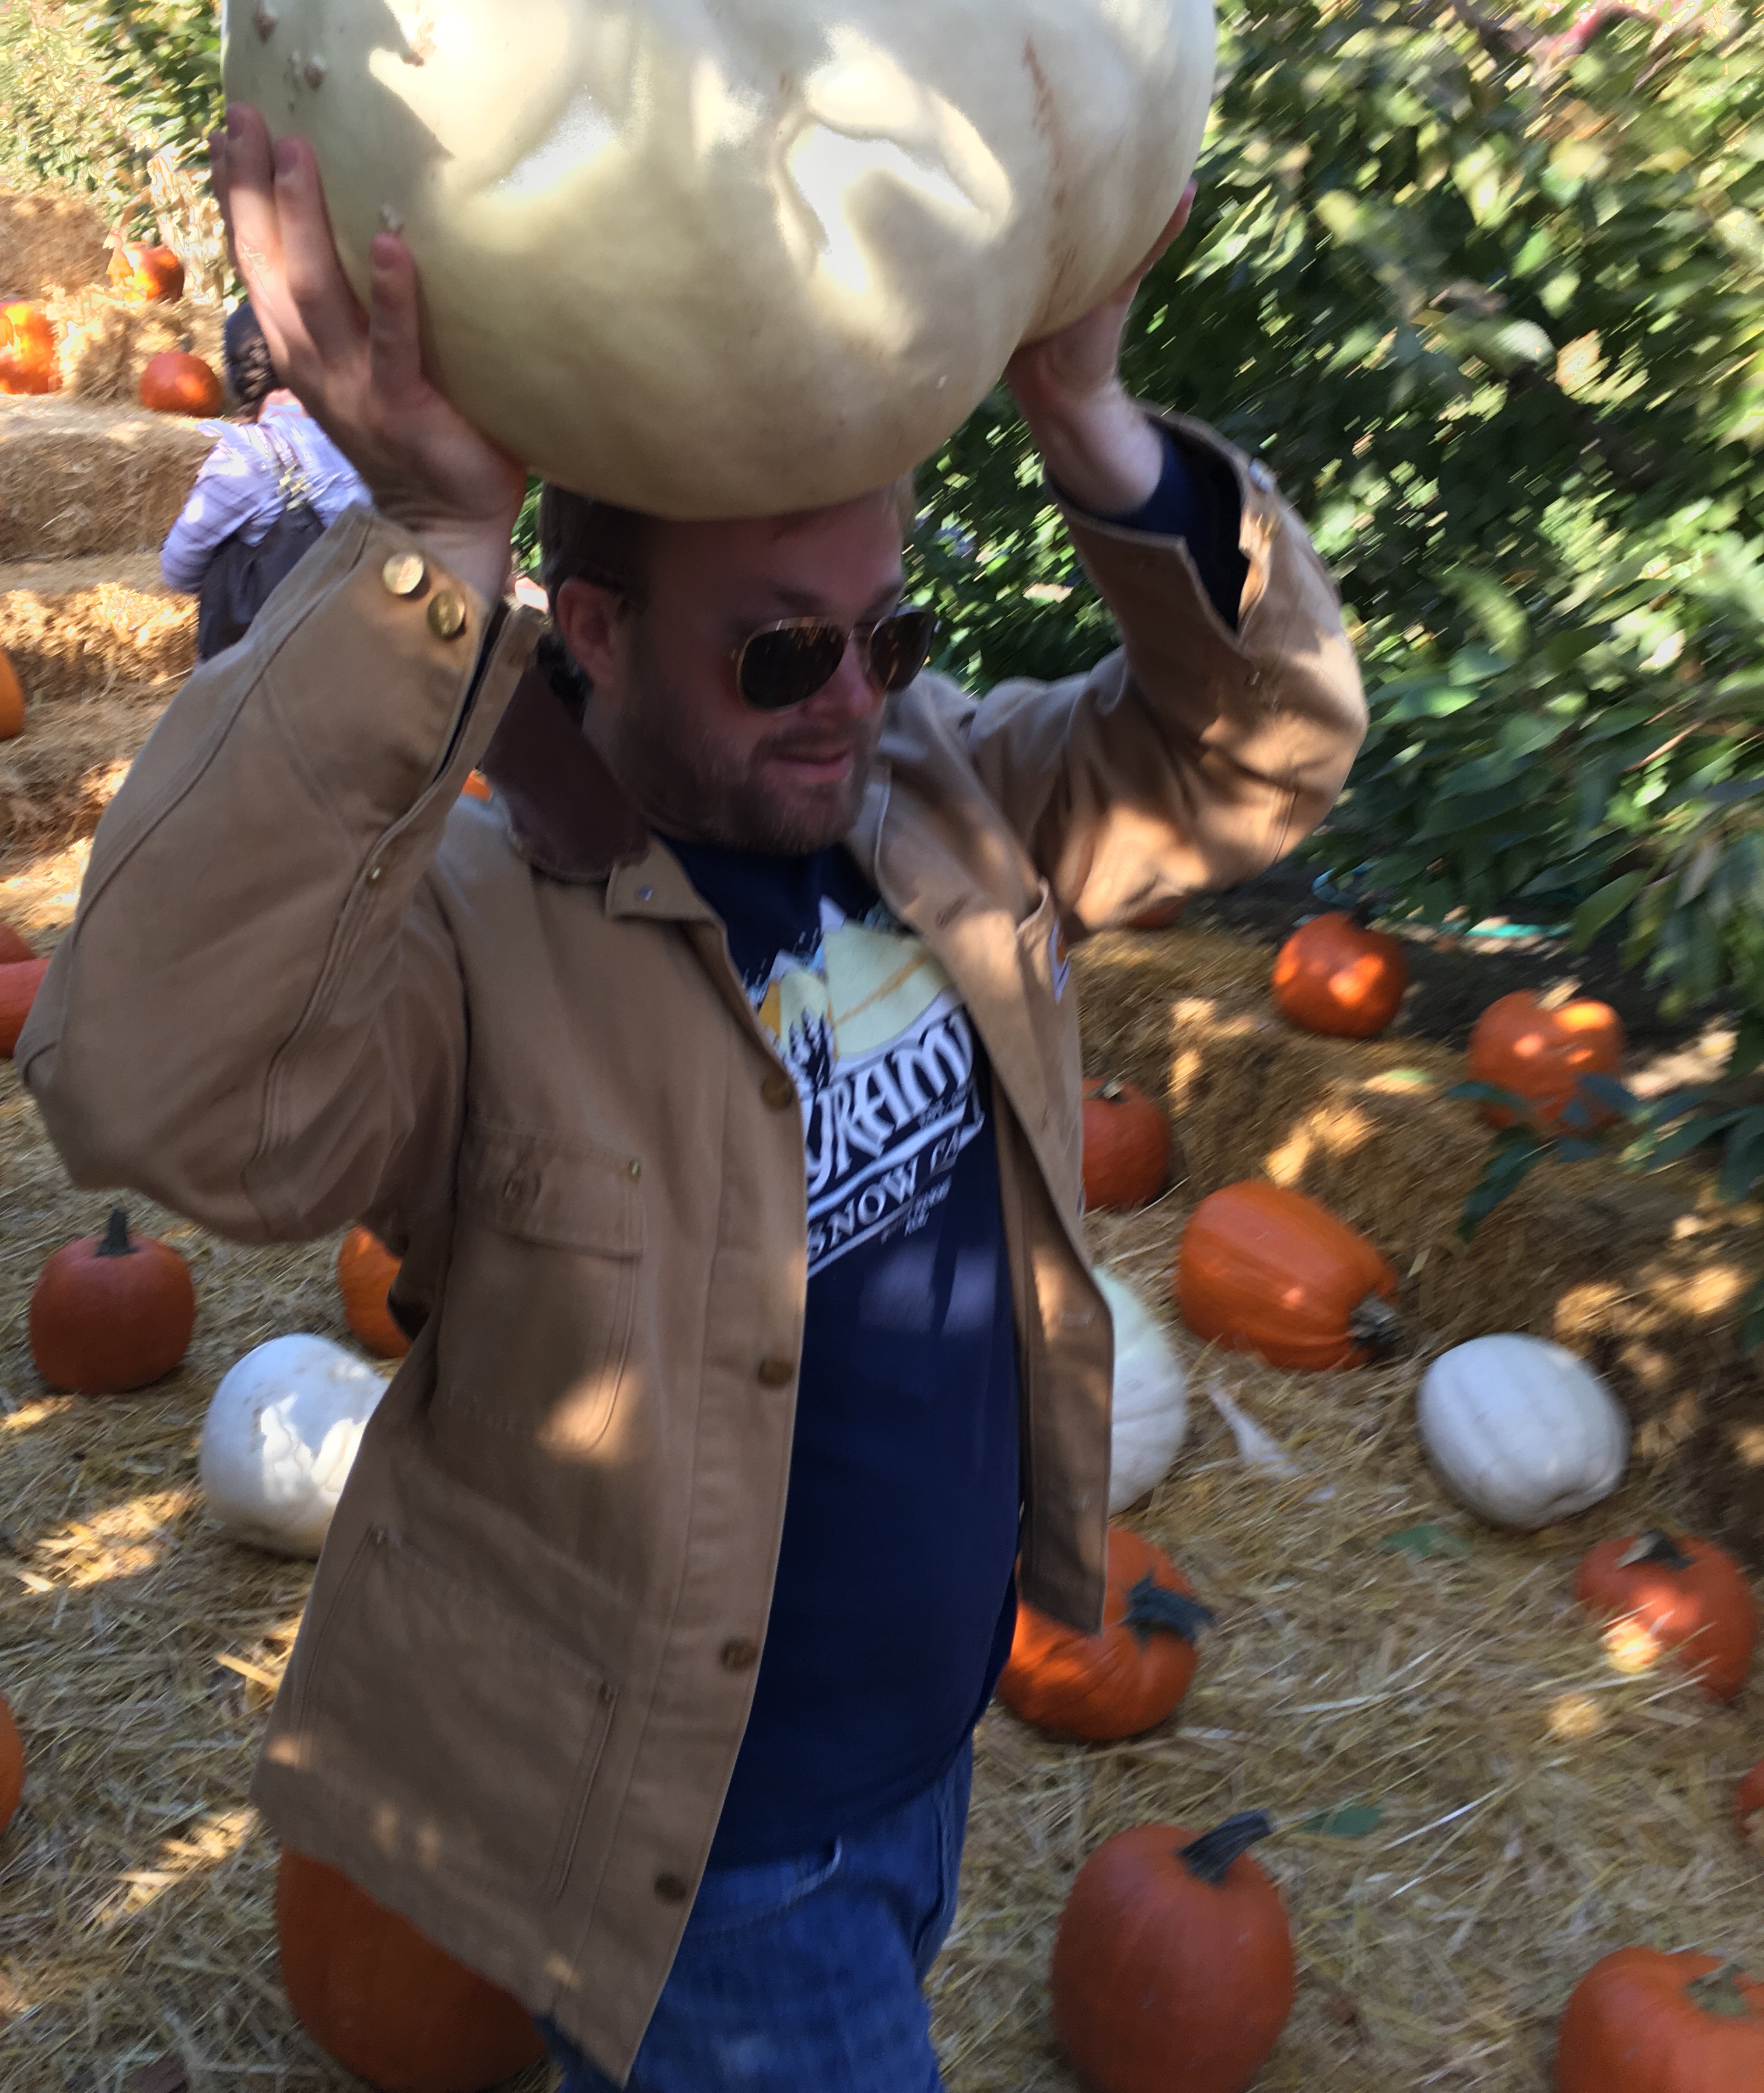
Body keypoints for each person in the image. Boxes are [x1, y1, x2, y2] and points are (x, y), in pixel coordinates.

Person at [19, 107, 1367, 2093]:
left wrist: (1092, 424)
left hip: (919, 1758)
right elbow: (132, 1077)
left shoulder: (941, 794)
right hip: (704, 1858)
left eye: (888, 633)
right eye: (786, 650)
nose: (854, 695)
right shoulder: (477, 934)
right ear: (596, 626)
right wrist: (427, 559)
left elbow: (1269, 754)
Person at [160, 299, 370, 656]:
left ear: (236, 375)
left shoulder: (249, 454)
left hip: (280, 665)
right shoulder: (372, 438)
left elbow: (177, 569)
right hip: (370, 650)